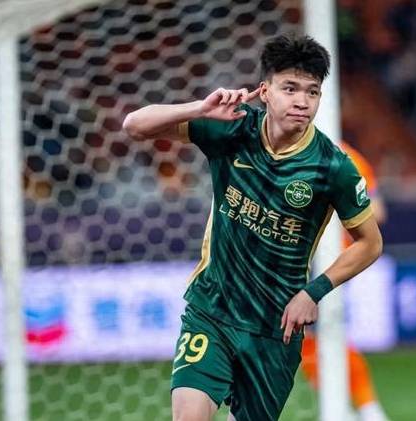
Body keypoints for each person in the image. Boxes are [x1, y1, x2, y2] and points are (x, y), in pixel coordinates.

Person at [123, 34, 383, 421]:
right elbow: (134, 126)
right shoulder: (231, 128)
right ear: (265, 92)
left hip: (275, 330)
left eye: (312, 92)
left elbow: (370, 243)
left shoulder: (333, 166)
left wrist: (313, 292)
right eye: (289, 88)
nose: (302, 101)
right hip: (212, 312)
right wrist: (200, 108)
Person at [301, 141, 390, 421]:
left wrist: (335, 205)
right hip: (291, 258)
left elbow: (377, 210)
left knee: (323, 332)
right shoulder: (281, 147)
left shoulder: (346, 157)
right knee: (302, 338)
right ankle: (345, 408)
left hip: (330, 263)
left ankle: (365, 408)